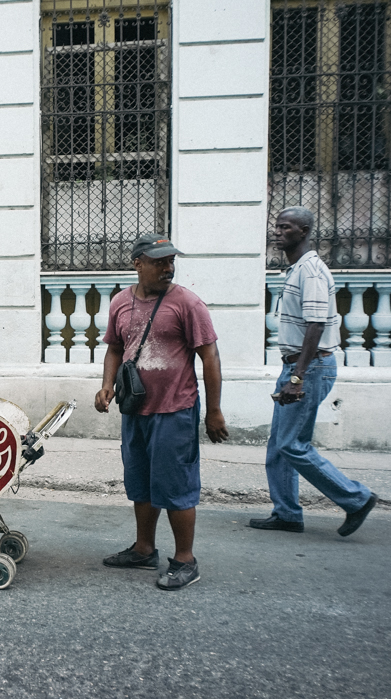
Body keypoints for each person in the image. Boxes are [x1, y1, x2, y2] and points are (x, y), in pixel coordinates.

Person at [95, 233, 229, 591]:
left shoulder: (187, 303)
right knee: (140, 482)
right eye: (159, 261)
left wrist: (213, 411)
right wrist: (107, 386)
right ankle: (144, 548)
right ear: (137, 263)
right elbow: (114, 348)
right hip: (135, 409)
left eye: (171, 261)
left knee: (175, 486)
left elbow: (210, 357)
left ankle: (185, 559)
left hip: (175, 410)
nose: (168, 268)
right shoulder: (121, 302)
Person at [249, 207, 377, 537]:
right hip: (297, 365)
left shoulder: (312, 272)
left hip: (310, 368)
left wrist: (297, 377)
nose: (277, 232)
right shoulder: (295, 269)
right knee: (280, 444)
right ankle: (287, 513)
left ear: (304, 231)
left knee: (292, 444)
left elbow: (316, 324)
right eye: (276, 226)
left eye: (285, 227)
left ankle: (356, 498)